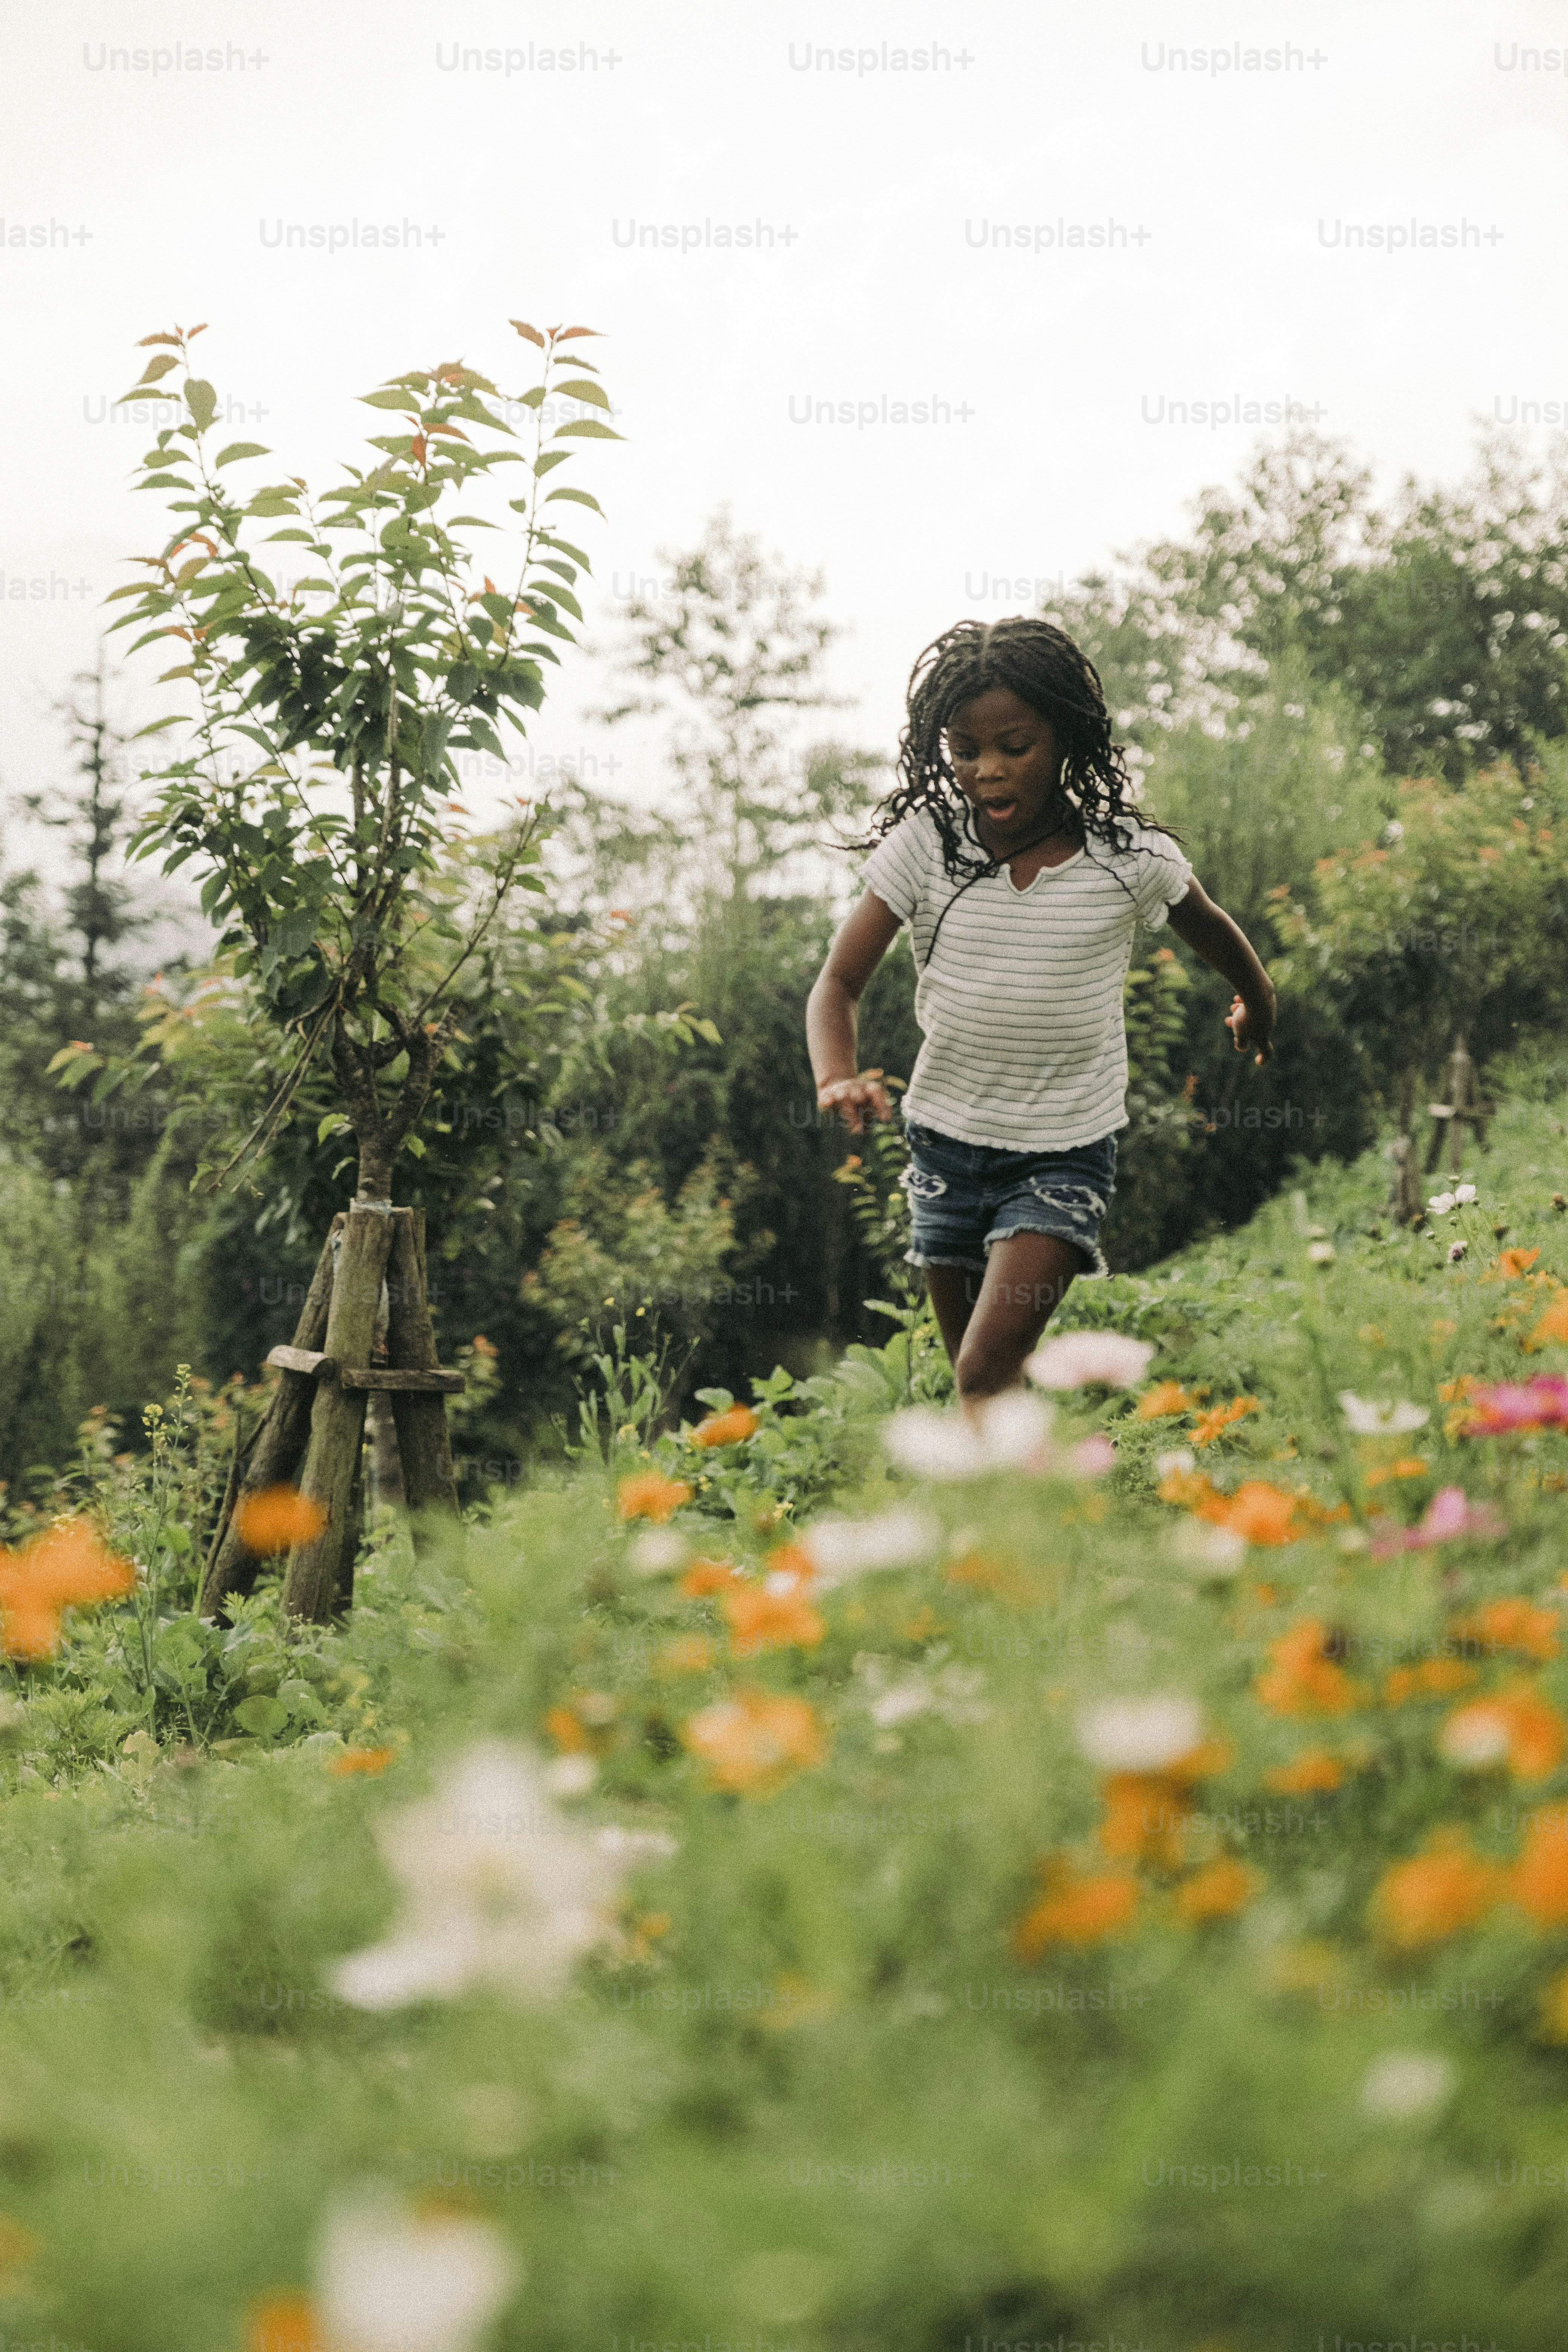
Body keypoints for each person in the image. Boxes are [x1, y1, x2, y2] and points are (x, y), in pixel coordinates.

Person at [805, 616, 1275, 1407]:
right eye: (964, 751)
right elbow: (837, 987)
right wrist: (835, 1077)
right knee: (986, 1386)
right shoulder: (929, 848)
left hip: (1061, 1152)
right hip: (945, 1148)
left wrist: (1257, 1001)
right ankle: (1022, 1514)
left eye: (1012, 747)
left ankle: (1029, 1512)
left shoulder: (1127, 856)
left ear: (1064, 739)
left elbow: (1211, 927)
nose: (986, 771)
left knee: (984, 1370)